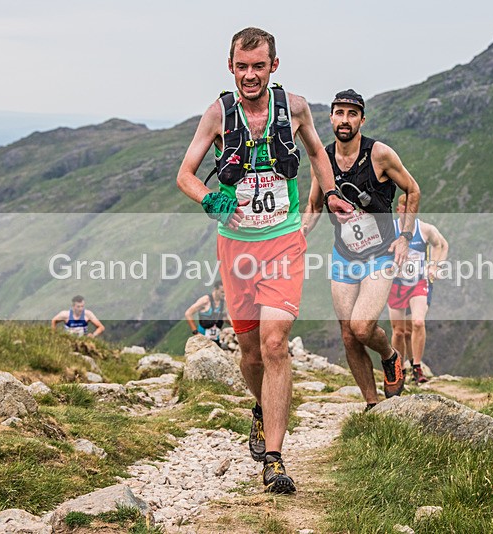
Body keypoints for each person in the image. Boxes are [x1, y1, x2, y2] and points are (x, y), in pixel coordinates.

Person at [176, 27, 353, 494]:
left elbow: (317, 151)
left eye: (258, 65)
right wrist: (209, 199)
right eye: (242, 66)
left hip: (282, 240)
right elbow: (186, 175)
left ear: (274, 65)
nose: (250, 75)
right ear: (230, 67)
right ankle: (261, 406)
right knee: (250, 351)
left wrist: (331, 193)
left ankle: (274, 459)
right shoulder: (217, 114)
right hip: (235, 246)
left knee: (275, 344)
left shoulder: (293, 108)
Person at [303, 89, 420, 412]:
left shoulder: (379, 154)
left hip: (380, 254)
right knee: (347, 334)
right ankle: (372, 405)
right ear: (331, 118)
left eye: (351, 114)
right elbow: (313, 206)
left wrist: (405, 237)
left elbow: (412, 189)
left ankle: (390, 356)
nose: (344, 120)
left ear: (362, 120)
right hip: (344, 255)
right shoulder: (322, 158)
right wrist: (299, 235)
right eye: (339, 113)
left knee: (362, 327)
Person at [387, 194, 448, 384]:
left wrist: (435, 266)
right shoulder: (391, 229)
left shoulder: (425, 229)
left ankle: (417, 367)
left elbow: (442, 244)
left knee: (418, 323)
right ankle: (399, 368)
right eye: (404, 211)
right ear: (398, 211)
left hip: (419, 282)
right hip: (396, 284)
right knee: (399, 331)